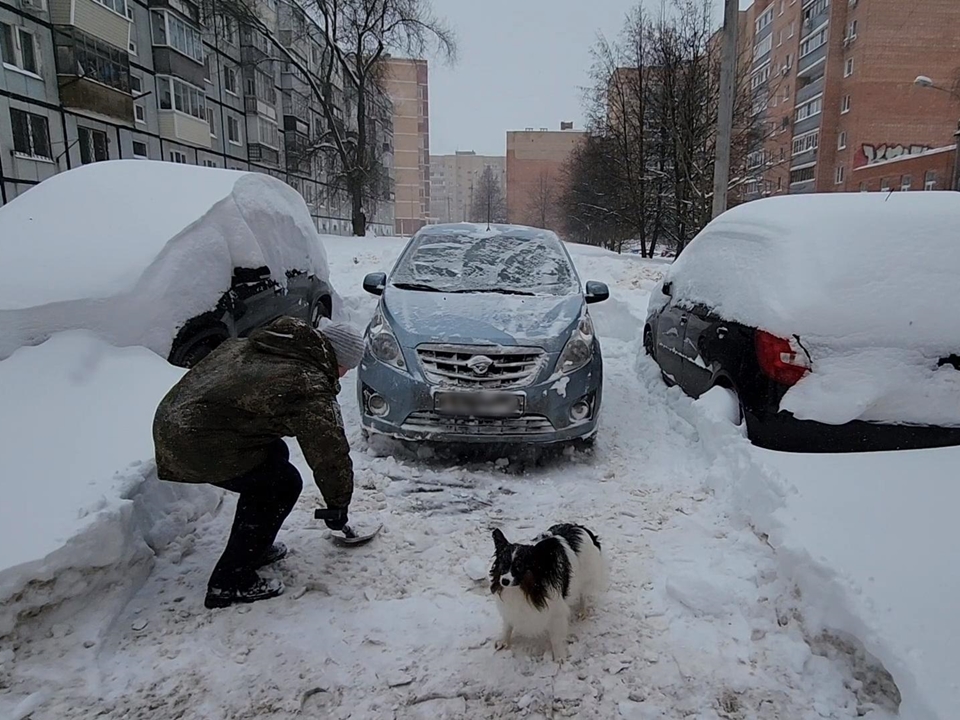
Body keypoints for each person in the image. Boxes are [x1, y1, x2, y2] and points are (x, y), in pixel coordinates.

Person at [153, 315, 366, 609]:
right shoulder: (305, 382)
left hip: (177, 422)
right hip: (193, 442)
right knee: (281, 485)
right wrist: (338, 503)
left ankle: (255, 547)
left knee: (274, 456)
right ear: (335, 357)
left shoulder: (266, 346)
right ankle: (229, 582)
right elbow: (329, 451)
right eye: (346, 367)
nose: (342, 375)